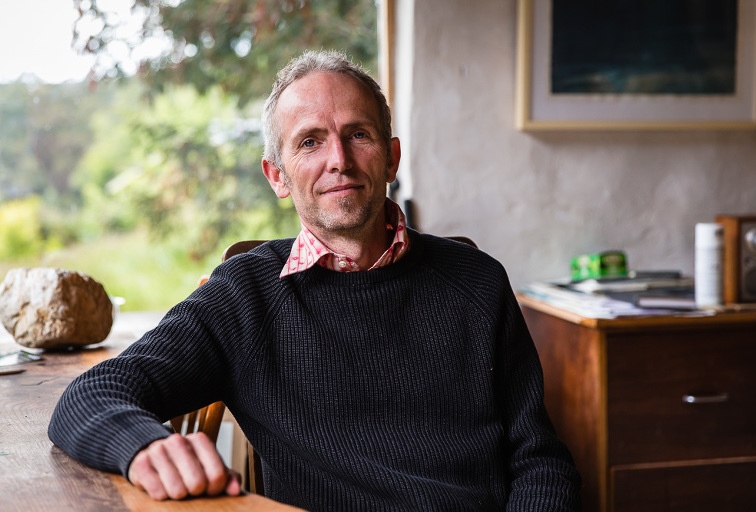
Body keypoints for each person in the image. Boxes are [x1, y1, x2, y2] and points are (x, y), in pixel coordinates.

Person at [49, 50, 581, 511]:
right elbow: (89, 396)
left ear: (392, 157)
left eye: (358, 134)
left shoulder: (478, 281)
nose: (339, 160)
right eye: (309, 142)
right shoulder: (245, 296)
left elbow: (538, 457)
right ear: (276, 175)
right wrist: (141, 446)